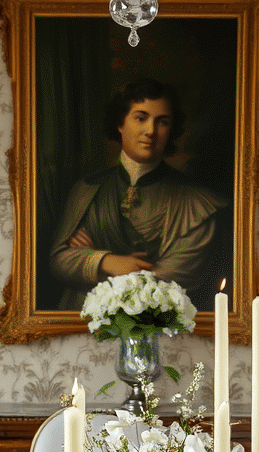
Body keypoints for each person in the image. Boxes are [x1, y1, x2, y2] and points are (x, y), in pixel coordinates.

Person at [49, 78, 227, 311]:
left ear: (171, 130)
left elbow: (175, 280)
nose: (150, 131)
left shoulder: (197, 202)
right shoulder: (87, 189)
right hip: (79, 327)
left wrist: (90, 260)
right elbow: (60, 261)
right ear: (120, 123)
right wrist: (108, 261)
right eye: (140, 118)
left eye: (162, 122)